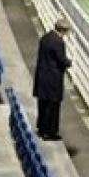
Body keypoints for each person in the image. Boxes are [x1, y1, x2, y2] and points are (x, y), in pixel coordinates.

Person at [33, 16, 74, 144]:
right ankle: (50, 132)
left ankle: (41, 128)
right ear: (63, 30)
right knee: (53, 106)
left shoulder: (46, 38)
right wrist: (69, 62)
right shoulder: (58, 42)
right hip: (52, 79)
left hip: (42, 77)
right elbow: (61, 60)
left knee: (42, 104)